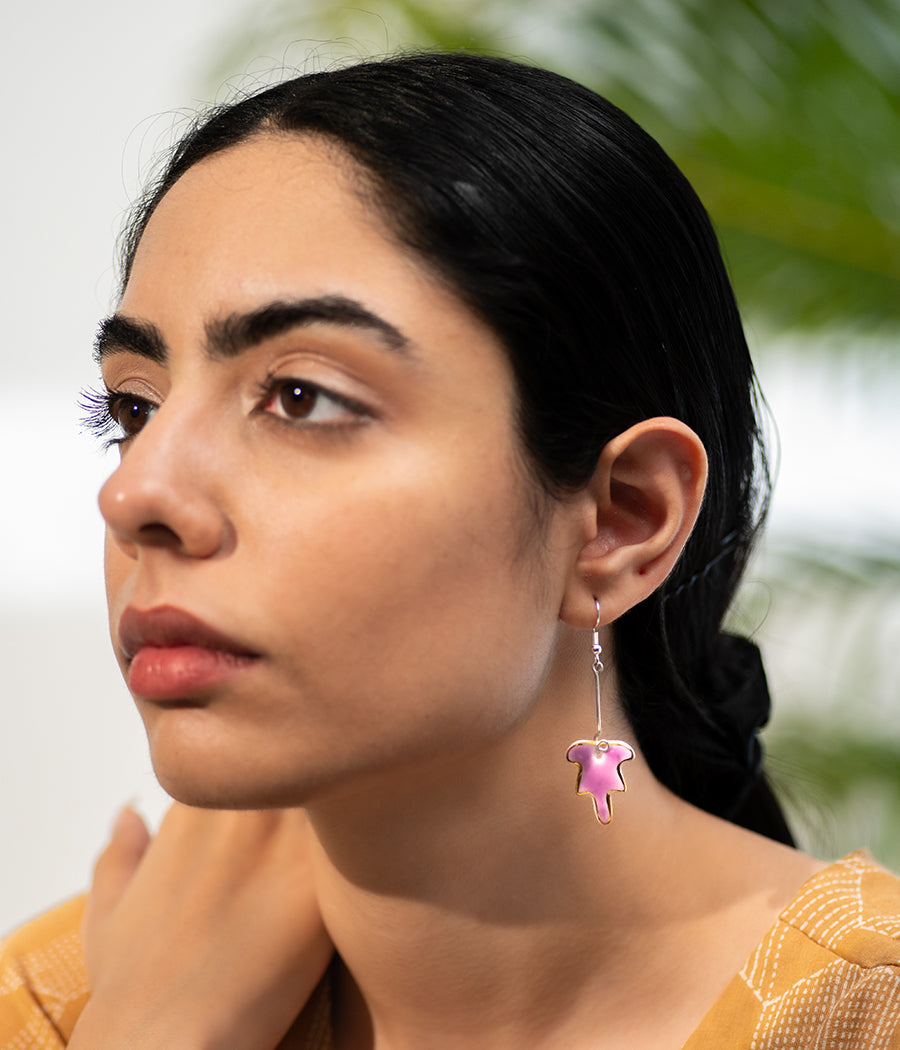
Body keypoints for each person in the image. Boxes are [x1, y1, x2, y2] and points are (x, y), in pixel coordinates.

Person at [2, 51, 898, 1050]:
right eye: (133, 407)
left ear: (621, 522)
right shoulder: (56, 1010)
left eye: (302, 397)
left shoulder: (861, 1017)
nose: (134, 493)